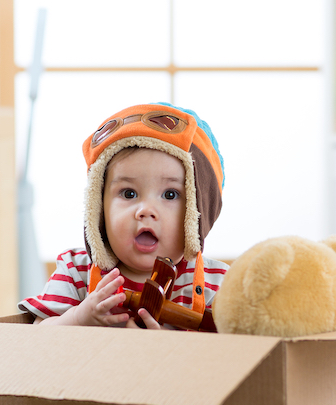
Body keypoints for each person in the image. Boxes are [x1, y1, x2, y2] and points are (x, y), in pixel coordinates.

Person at [18, 102, 229, 329]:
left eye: (170, 194)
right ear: (99, 208)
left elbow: (237, 353)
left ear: (198, 214)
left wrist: (165, 350)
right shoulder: (76, 272)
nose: (145, 210)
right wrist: (80, 318)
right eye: (129, 193)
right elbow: (38, 336)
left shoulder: (218, 284)